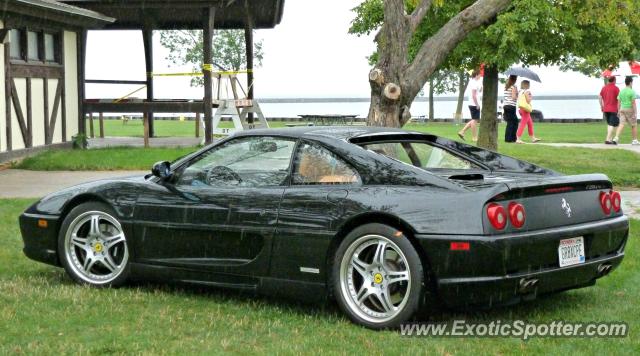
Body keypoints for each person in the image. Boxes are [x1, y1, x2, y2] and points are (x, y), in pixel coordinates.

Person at [458, 70, 483, 141]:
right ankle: (474, 137)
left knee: (473, 120)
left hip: (472, 103)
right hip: (474, 104)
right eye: (480, 74)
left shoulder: (474, 82)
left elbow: (479, 91)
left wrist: (481, 86)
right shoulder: (474, 83)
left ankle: (462, 131)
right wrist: (477, 104)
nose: (481, 76)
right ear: (476, 74)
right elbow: (473, 95)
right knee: (474, 121)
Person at [617, 76, 640, 145]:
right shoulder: (632, 91)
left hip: (622, 109)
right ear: (630, 82)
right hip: (629, 109)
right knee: (634, 125)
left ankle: (616, 138)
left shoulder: (621, 91)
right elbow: (633, 103)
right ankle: (635, 140)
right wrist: (635, 112)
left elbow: (619, 102)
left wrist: (618, 110)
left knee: (621, 124)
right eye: (632, 82)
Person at [599, 76, 621, 144]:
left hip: (605, 109)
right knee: (612, 124)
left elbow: (600, 97)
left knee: (611, 124)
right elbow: (619, 99)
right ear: (614, 80)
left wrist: (601, 106)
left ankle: (611, 139)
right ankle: (607, 139)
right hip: (613, 109)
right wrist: (619, 109)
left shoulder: (604, 88)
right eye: (615, 80)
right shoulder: (616, 88)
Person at [503, 75, 519, 142]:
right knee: (513, 122)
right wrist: (517, 95)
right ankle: (510, 138)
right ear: (514, 79)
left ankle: (510, 138)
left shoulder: (506, 86)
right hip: (511, 106)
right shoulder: (513, 86)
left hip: (506, 105)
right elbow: (513, 97)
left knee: (511, 122)